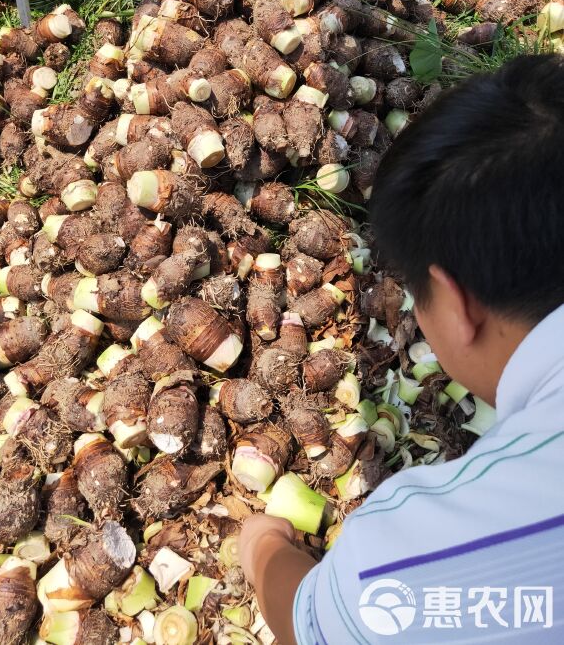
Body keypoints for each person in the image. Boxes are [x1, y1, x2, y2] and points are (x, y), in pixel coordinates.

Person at [239, 55, 564, 643]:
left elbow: (315, 621)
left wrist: (261, 546)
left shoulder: (432, 551)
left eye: (415, 293)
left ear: (453, 301)